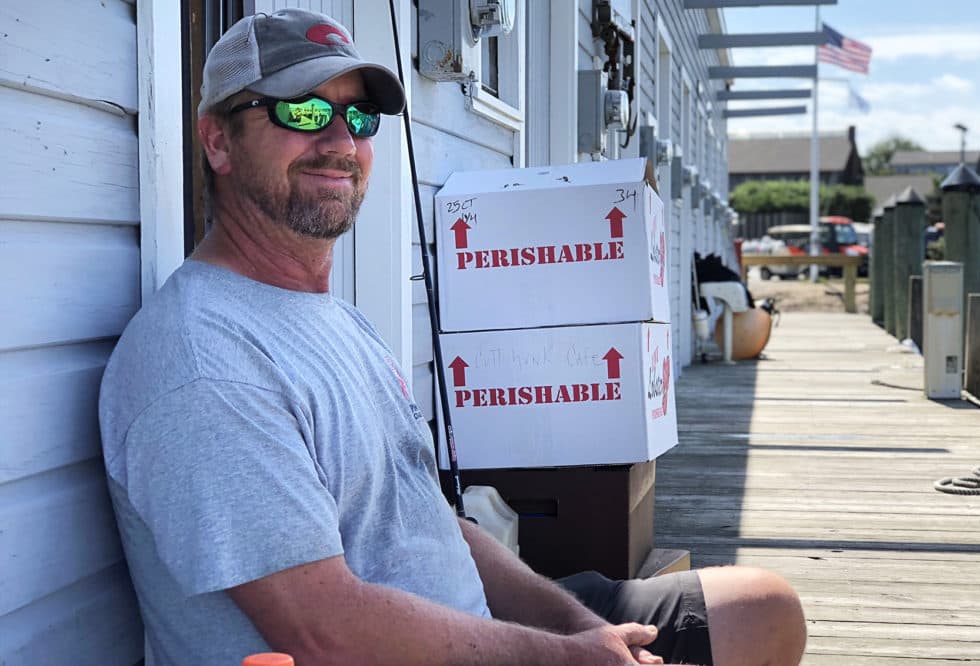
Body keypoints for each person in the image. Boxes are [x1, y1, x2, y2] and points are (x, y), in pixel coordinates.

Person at [99, 9, 806, 666]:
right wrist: (561, 658)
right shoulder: (202, 361)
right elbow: (321, 630)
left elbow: (436, 524)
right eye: (304, 111)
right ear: (218, 140)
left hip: (470, 624)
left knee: (764, 609)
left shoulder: (334, 318)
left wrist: (576, 629)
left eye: (360, 116)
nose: (341, 142)